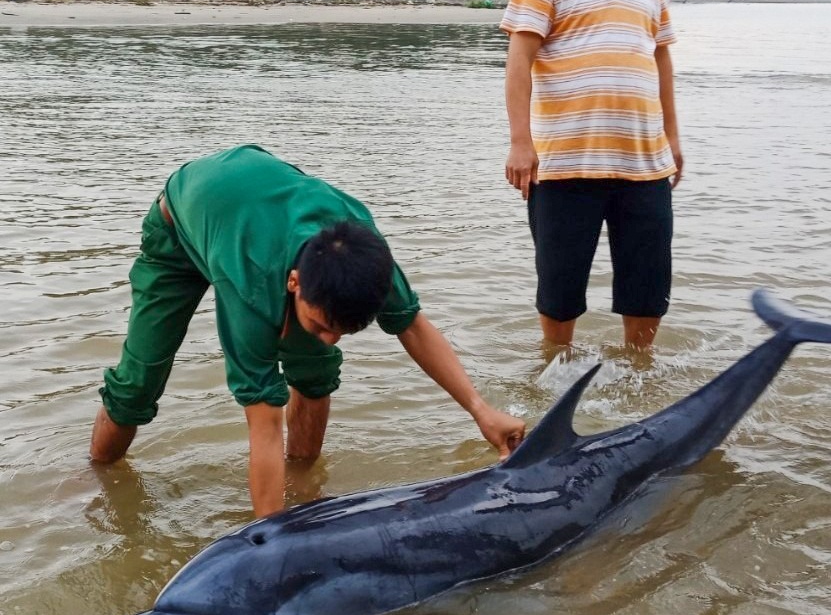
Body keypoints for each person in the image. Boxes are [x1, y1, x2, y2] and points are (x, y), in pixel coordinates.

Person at [90, 145, 526, 517]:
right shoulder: (252, 287)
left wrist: (481, 411)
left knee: (315, 370)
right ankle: (96, 481)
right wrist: (267, 537)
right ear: (294, 282)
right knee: (138, 384)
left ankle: (302, 493)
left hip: (258, 216)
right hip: (180, 225)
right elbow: (264, 427)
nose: (331, 339)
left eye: (342, 332)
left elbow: (411, 325)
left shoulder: (365, 257)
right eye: (322, 325)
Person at [500, 0, 683, 352]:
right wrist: (520, 142)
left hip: (644, 165)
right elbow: (519, 60)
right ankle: (553, 386)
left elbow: (661, 56)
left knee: (646, 293)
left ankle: (639, 386)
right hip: (564, 166)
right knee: (559, 296)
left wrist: (673, 136)